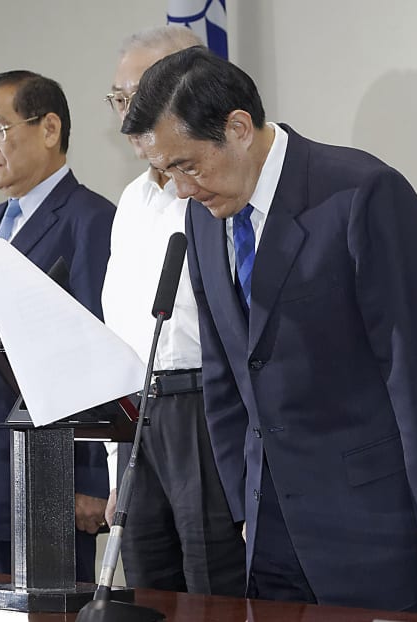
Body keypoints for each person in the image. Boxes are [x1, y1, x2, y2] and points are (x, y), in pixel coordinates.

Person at [121, 46, 417, 614]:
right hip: (270, 536)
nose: (181, 189)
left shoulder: (360, 192)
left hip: (380, 527)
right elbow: (225, 373)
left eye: (187, 166)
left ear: (238, 128)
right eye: (168, 173)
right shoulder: (202, 219)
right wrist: (244, 506)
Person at [0, 70, 115, 581]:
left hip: (39, 473)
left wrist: (91, 478)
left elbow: (95, 351)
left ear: (49, 128)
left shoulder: (91, 220)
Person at [101, 26, 245, 595]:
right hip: (137, 415)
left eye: (140, 95)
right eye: (118, 99)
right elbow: (120, 333)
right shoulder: (131, 200)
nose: (127, 114)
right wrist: (116, 466)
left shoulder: (222, 190)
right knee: (147, 585)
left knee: (214, 583)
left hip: (205, 409)